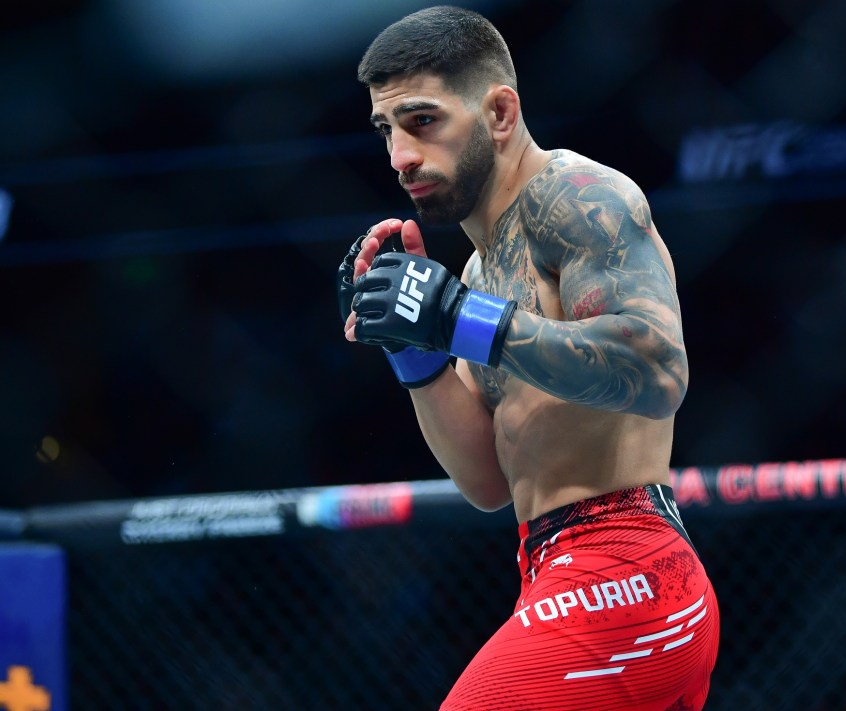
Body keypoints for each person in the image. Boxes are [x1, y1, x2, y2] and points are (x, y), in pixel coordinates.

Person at [338, 6, 719, 710]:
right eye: (386, 130)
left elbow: (658, 371)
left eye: (422, 121)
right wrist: (414, 350)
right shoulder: (483, 273)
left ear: (500, 112)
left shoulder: (580, 199)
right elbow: (487, 480)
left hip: (627, 569)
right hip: (550, 566)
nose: (400, 157)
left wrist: (456, 319)